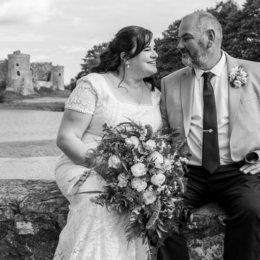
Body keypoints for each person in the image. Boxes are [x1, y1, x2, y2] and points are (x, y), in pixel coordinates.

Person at [53, 26, 162, 260]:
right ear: (126, 58)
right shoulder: (94, 85)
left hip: (134, 175)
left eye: (155, 49)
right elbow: (66, 138)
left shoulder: (156, 95)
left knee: (136, 205)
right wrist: (107, 167)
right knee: (101, 206)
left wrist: (143, 176)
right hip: (84, 165)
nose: (155, 54)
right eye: (148, 49)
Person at [158, 11, 260, 260]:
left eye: (186, 38)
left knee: (253, 209)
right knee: (159, 211)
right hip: (187, 174)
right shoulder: (169, 82)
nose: (179, 45)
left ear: (210, 37)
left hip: (238, 171)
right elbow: (162, 132)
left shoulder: (256, 72)